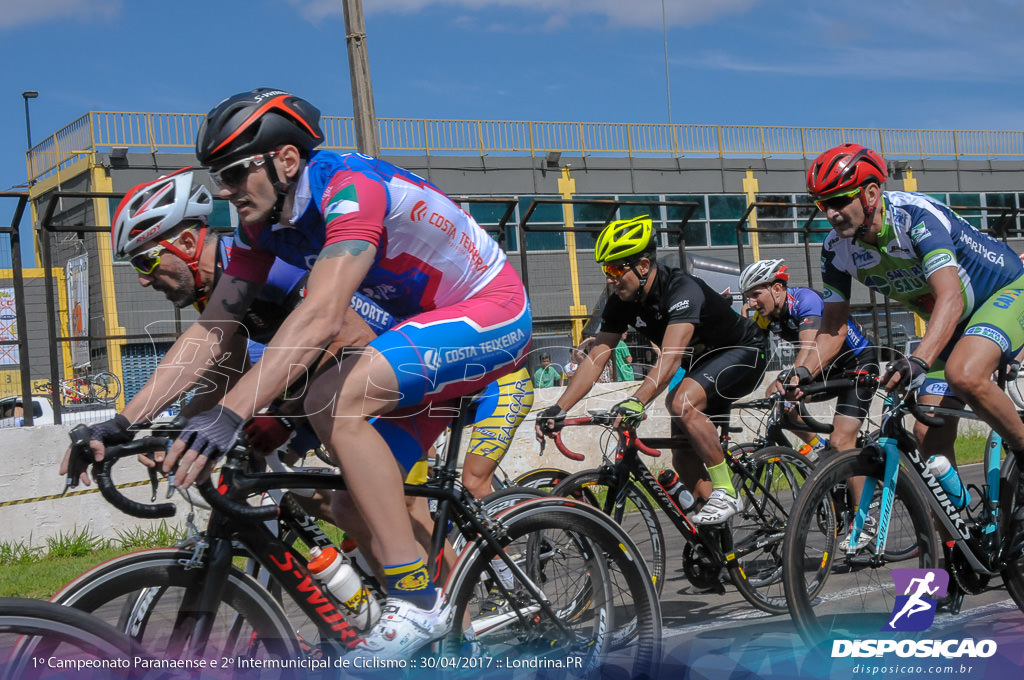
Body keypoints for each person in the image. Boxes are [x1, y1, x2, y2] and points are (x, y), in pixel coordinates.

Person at [66, 88, 532, 656]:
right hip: (418, 333)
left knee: (336, 400)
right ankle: (451, 642)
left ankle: (419, 603)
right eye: (219, 176)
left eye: (235, 174)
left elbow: (322, 317)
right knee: (347, 505)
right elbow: (213, 331)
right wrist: (122, 421)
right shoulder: (264, 229)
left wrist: (232, 415)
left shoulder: (350, 190)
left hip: (492, 310)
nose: (223, 190)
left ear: (286, 161)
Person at [793, 143, 1024, 511]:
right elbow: (833, 326)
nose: (832, 213)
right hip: (954, 319)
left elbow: (951, 297)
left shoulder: (914, 217)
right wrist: (801, 372)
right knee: (927, 433)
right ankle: (959, 547)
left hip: (1004, 291)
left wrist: (917, 360)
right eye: (824, 205)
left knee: (962, 373)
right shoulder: (836, 248)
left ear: (871, 193)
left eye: (839, 200)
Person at [535, 215, 769, 524]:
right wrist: (559, 407)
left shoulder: (682, 289)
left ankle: (727, 490)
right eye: (607, 269)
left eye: (617, 268)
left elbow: (670, 359)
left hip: (745, 352)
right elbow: (597, 356)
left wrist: (636, 399)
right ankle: (717, 543)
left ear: (643, 266)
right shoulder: (621, 300)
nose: (610, 278)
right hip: (704, 366)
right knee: (684, 458)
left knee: (680, 402)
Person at [740, 258, 878, 458]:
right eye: (747, 297)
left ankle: (850, 470)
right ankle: (820, 448)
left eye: (755, 294)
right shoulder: (762, 317)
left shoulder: (805, 299)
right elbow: (750, 352)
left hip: (857, 363)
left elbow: (809, 346)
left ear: (777, 288)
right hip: (826, 368)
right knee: (777, 398)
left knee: (841, 442)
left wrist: (794, 377)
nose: (751, 303)